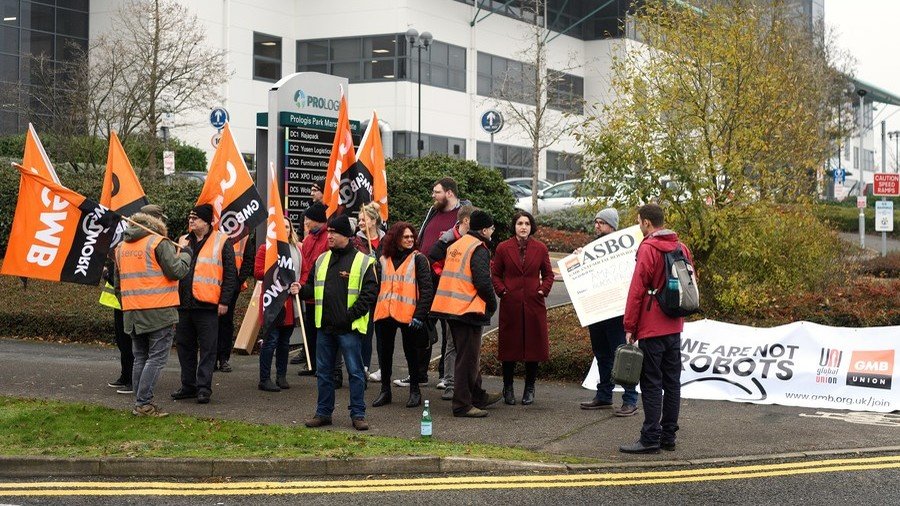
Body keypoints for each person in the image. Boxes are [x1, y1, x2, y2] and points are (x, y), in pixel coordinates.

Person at [620, 203, 695, 454]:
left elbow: (637, 289)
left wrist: (630, 326)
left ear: (647, 223)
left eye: (639, 221)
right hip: (675, 325)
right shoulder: (681, 247)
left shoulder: (648, 248)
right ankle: (668, 436)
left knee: (651, 382)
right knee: (672, 382)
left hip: (652, 326)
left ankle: (650, 436)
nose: (639, 226)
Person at [302, 215, 378, 431]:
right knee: (324, 373)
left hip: (349, 329)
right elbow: (311, 287)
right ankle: (323, 413)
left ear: (347, 235)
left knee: (355, 373)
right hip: (325, 327)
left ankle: (358, 414)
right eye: (329, 232)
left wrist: (349, 316)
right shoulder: (321, 259)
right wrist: (300, 289)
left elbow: (369, 294)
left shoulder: (364, 261)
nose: (330, 236)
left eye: (334, 232)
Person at [113, 208, 191, 417]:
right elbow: (177, 271)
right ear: (157, 223)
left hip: (131, 311)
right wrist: (185, 253)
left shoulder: (121, 247)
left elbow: (117, 284)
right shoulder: (158, 242)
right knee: (156, 359)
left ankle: (139, 402)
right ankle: (143, 403)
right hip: (159, 311)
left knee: (140, 357)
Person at [403, 177, 472, 390]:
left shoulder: (463, 215)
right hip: (425, 277)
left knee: (448, 327)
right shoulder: (432, 212)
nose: (433, 196)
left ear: (449, 193)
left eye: (437, 192)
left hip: (447, 278)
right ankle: (419, 373)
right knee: (421, 323)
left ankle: (445, 375)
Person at [430, 209, 500, 418]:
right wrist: (492, 303)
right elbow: (482, 281)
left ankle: (477, 395)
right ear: (485, 229)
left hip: (450, 307)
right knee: (468, 359)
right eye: (492, 229)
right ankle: (462, 404)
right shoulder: (478, 248)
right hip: (467, 310)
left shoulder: (457, 245)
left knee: (466, 355)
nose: (492, 232)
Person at [171, 204, 237, 405]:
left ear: (207, 221)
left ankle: (203, 388)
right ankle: (188, 386)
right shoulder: (183, 240)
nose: (191, 221)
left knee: (208, 349)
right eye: (190, 218)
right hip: (183, 304)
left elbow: (230, 274)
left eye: (196, 218)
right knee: (185, 348)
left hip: (207, 305)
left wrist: (225, 300)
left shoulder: (222, 241)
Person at [578, 208, 640, 416]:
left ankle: (630, 399)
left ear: (612, 226)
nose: (597, 226)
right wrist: (579, 259)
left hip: (616, 313)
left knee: (623, 356)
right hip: (597, 311)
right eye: (596, 222)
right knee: (602, 354)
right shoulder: (592, 248)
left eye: (601, 223)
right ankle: (604, 395)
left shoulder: (624, 249)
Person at [491, 210, 554, 406]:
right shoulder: (503, 248)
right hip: (511, 304)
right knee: (510, 347)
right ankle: (507, 387)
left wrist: (543, 290)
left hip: (534, 304)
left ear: (531, 226)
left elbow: (549, 274)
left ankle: (530, 387)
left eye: (527, 223)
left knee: (533, 347)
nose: (523, 227)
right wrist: (502, 292)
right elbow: (495, 274)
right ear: (514, 226)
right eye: (520, 223)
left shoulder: (540, 248)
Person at [371, 222, 434, 408]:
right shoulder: (383, 259)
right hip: (384, 313)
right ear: (395, 238)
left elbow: (426, 290)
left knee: (411, 354)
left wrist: (419, 316)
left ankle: (415, 390)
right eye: (405, 237)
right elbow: (375, 285)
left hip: (409, 315)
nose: (409, 240)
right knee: (384, 354)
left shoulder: (419, 259)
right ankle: (385, 391)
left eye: (411, 237)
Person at [427, 204, 474, 401]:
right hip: (449, 297)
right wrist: (446, 275)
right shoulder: (447, 239)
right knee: (451, 342)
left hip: (466, 298)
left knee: (464, 343)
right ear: (466, 221)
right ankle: (449, 383)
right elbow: (433, 258)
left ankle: (465, 383)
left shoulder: (470, 240)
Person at [253, 221, 302, 392]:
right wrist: (277, 271)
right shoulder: (265, 249)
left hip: (289, 302)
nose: (284, 230)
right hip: (272, 300)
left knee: (284, 342)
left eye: (287, 227)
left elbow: (302, 273)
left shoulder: (297, 249)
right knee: (270, 340)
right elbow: (258, 272)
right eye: (281, 227)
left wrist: (298, 284)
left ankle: (281, 376)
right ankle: (264, 379)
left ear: (290, 230)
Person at [295, 202, 330, 377]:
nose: (306, 222)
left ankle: (322, 365)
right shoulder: (308, 239)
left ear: (319, 221)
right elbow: (305, 263)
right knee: (310, 331)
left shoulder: (327, 239)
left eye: (309, 219)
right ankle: (312, 364)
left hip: (322, 293)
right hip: (309, 291)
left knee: (321, 331)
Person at [353, 202, 385, 380]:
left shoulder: (385, 239)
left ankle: (382, 368)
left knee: (382, 332)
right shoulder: (356, 241)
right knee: (365, 331)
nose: (361, 222)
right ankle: (363, 366)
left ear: (374, 221)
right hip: (364, 290)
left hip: (383, 290)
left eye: (364, 219)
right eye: (359, 220)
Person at [215, 233, 255, 373]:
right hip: (212, 284)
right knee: (212, 323)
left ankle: (223, 359)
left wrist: (238, 282)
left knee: (226, 322)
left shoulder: (243, 235)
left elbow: (248, 260)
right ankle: (212, 359)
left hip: (232, 285)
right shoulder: (215, 232)